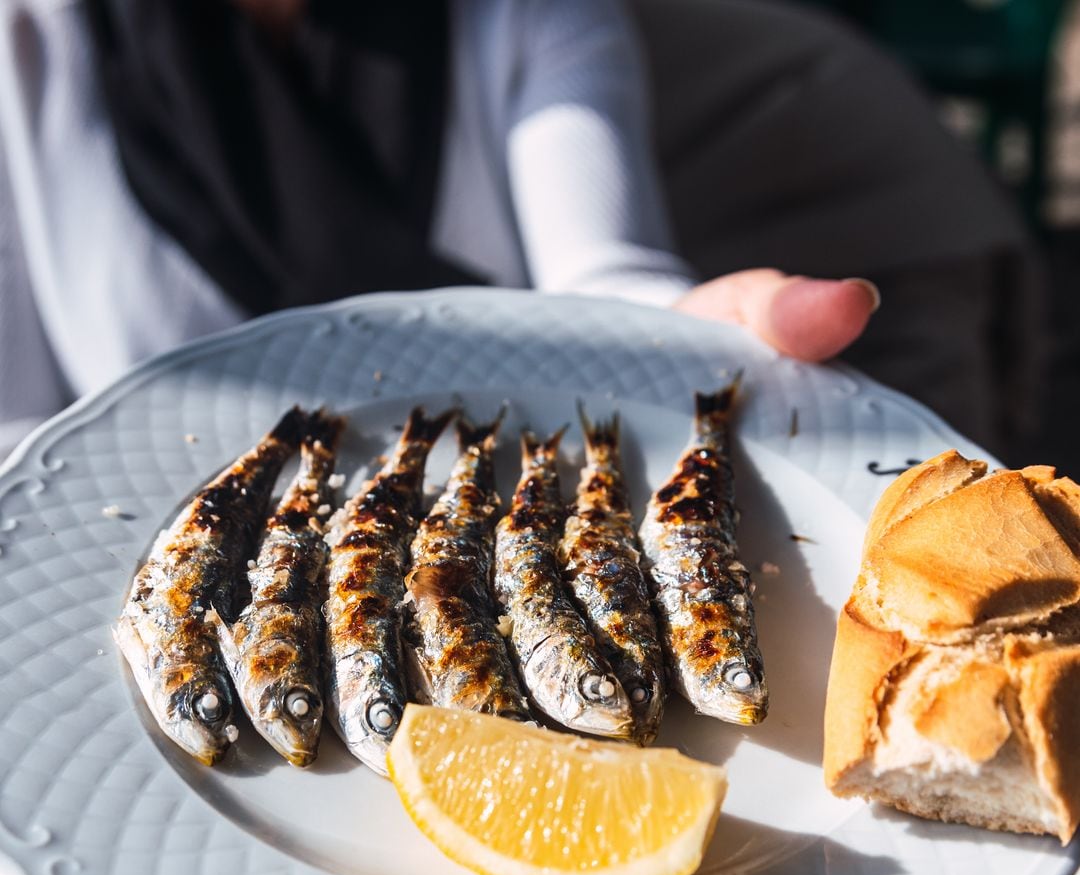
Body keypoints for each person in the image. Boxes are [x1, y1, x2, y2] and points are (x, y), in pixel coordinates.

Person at [0, 0, 1035, 463]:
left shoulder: (521, 12)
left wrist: (679, 332)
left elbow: (598, 278)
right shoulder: (27, 48)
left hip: (865, 199)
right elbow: (24, 439)